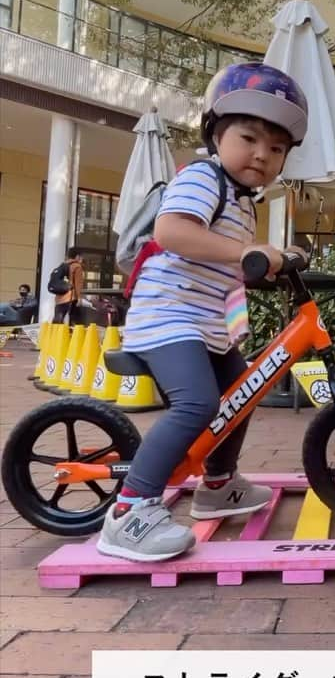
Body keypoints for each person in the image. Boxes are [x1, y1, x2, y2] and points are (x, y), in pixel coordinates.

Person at [98, 62, 309, 563]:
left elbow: (226, 259)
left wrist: (274, 260)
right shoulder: (202, 178)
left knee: (240, 395)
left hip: (205, 324)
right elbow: (172, 233)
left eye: (276, 148)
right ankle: (128, 514)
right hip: (167, 316)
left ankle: (217, 485)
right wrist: (248, 252)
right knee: (198, 404)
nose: (262, 153)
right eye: (249, 137)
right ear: (216, 134)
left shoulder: (242, 202)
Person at [53, 249, 84, 323]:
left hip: (60, 297)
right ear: (77, 256)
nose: (82, 259)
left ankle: (54, 333)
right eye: (81, 257)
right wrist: (79, 298)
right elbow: (78, 284)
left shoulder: (62, 265)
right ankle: (73, 334)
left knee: (57, 320)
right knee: (75, 320)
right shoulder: (77, 266)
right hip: (71, 297)